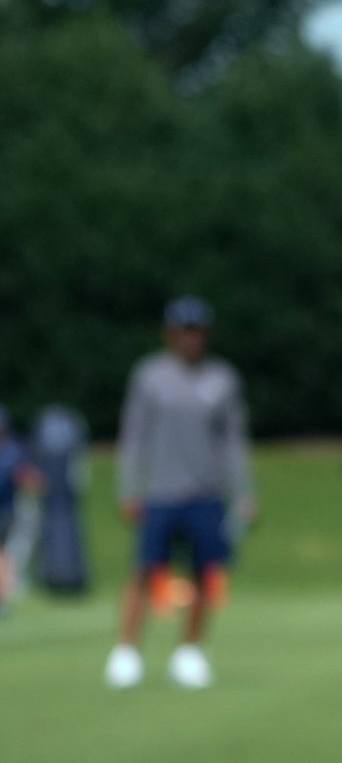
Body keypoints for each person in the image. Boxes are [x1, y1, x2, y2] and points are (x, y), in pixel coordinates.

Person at [106, 295, 254, 690]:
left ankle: (190, 651)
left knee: (205, 573)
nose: (190, 338)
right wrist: (130, 488)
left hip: (206, 492)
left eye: (197, 331)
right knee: (144, 570)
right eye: (183, 330)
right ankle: (127, 651)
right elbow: (134, 436)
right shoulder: (150, 376)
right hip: (160, 492)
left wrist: (244, 492)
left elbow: (233, 442)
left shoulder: (222, 378)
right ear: (170, 334)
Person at [0, 404, 39, 611]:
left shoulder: (13, 451)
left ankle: (3, 599)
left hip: (6, 510)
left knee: (5, 557)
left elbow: (26, 476)